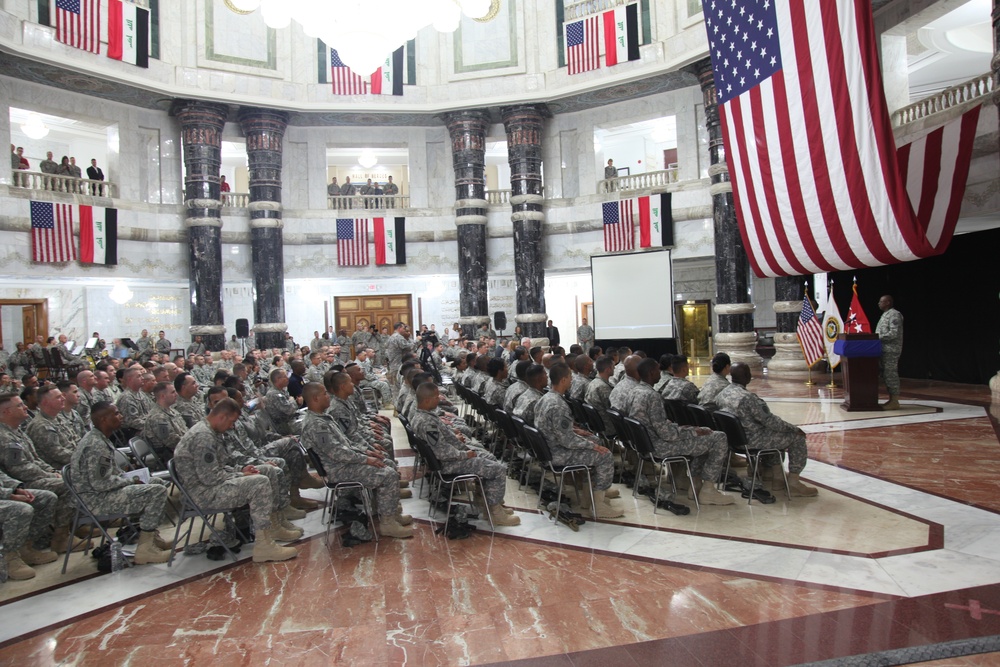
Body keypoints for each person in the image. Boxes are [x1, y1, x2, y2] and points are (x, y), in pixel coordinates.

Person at [173, 398, 299, 563]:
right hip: (203, 494)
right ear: (222, 417)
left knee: (267, 470)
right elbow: (210, 478)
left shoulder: (211, 431)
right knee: (259, 483)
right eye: (231, 422)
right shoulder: (203, 437)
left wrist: (241, 470)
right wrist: (241, 475)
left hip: (211, 484)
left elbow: (219, 467)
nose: (232, 426)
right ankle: (264, 545)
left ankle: (275, 525)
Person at [300, 382, 413, 538]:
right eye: (325, 393)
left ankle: (388, 512)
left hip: (344, 463)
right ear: (315, 398)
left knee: (386, 462)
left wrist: (368, 451)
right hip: (339, 469)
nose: (328, 396)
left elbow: (346, 443)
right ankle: (388, 524)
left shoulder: (323, 418)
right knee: (388, 474)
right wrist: (366, 459)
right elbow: (337, 453)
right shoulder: (316, 425)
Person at [70, 402, 175, 564]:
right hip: (97, 499)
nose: (121, 416)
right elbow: (101, 484)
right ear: (104, 419)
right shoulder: (96, 445)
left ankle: (151, 537)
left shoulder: (100, 438)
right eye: (116, 414)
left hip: (104, 491)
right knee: (156, 491)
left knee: (155, 482)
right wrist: (131, 480)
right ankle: (145, 550)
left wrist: (133, 479)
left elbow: (110, 475)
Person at [409, 382, 520, 526]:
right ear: (427, 400)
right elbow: (443, 452)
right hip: (449, 463)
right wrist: (466, 455)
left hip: (452, 457)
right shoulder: (427, 422)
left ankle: (486, 502)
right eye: (436, 397)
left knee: (490, 458)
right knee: (498, 469)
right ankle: (495, 513)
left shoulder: (423, 416)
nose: (439, 399)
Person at [631, 358, 735, 505]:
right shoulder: (652, 396)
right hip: (660, 447)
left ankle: (696, 486)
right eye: (658, 370)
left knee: (706, 437)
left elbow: (659, 425)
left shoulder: (634, 391)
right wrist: (693, 432)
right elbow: (667, 434)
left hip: (646, 445)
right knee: (719, 438)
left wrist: (687, 428)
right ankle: (708, 490)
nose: (660, 373)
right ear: (652, 372)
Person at [715, 363, 818, 496]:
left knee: (774, 434)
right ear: (747, 376)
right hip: (752, 441)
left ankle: (777, 478)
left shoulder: (722, 394)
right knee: (796, 438)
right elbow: (770, 421)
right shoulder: (748, 398)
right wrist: (794, 428)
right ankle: (794, 483)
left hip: (734, 441)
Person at [535, 363, 623, 517]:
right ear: (563, 380)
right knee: (605, 455)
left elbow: (552, 427)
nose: (571, 380)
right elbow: (567, 441)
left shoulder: (545, 398)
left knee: (595, 439)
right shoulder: (558, 405)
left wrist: (577, 431)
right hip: (558, 453)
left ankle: (589, 497)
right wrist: (592, 446)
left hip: (549, 448)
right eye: (570, 377)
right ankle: (598, 506)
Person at [876, 295, 904, 411]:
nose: (879, 303)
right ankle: (892, 399)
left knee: (891, 374)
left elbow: (894, 333)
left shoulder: (894, 314)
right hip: (884, 350)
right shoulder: (885, 315)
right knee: (886, 374)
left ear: (887, 302)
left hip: (891, 350)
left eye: (881, 301)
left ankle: (895, 401)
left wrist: (877, 337)